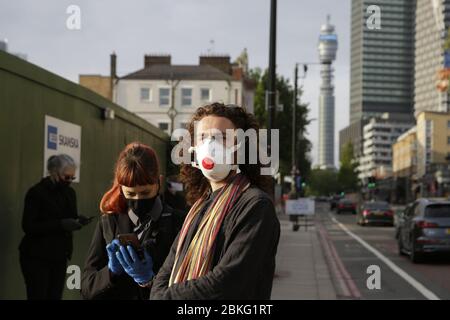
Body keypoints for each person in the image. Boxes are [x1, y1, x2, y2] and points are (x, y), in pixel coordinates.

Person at [150, 103, 281, 300]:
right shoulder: (199, 207)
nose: (211, 145)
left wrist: (164, 298)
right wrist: (158, 293)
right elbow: (167, 269)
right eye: (203, 137)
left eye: (223, 138)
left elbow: (227, 281)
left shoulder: (255, 206)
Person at [81, 142, 183, 300]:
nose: (138, 200)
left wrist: (150, 281)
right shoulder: (109, 222)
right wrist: (110, 272)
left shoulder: (179, 223)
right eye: (131, 193)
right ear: (120, 188)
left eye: (145, 192)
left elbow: (189, 289)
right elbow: (87, 287)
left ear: (159, 183)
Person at [19, 154, 88, 300]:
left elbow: (70, 216)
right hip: (36, 256)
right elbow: (28, 226)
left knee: (55, 295)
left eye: (72, 178)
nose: (69, 181)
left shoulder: (70, 193)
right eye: (66, 177)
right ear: (54, 172)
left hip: (60, 255)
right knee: (38, 294)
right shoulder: (36, 193)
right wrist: (61, 225)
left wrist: (78, 221)